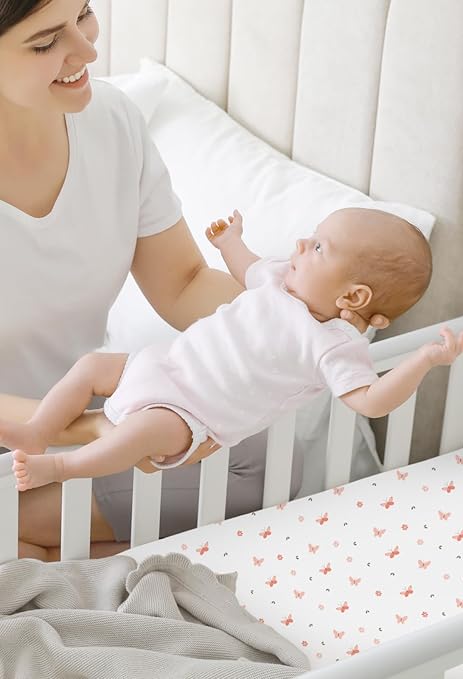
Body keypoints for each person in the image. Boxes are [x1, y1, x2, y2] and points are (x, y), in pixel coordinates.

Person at [0, 0, 386, 560]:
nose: (87, 49)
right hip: (47, 427)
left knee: (261, 463)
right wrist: (89, 430)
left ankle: (50, 556)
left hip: (78, 413)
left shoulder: (111, 121)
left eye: (83, 13)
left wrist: (301, 314)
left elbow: (182, 282)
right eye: (45, 42)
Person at [1, 207, 463, 491]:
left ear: (354, 296)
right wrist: (230, 242)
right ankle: (38, 430)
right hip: (163, 365)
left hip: (190, 415)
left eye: (319, 247)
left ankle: (59, 467)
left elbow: (371, 400)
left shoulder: (332, 345)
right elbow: (247, 269)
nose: (302, 243)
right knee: (91, 366)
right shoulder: (280, 280)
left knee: (136, 435)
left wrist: (423, 359)